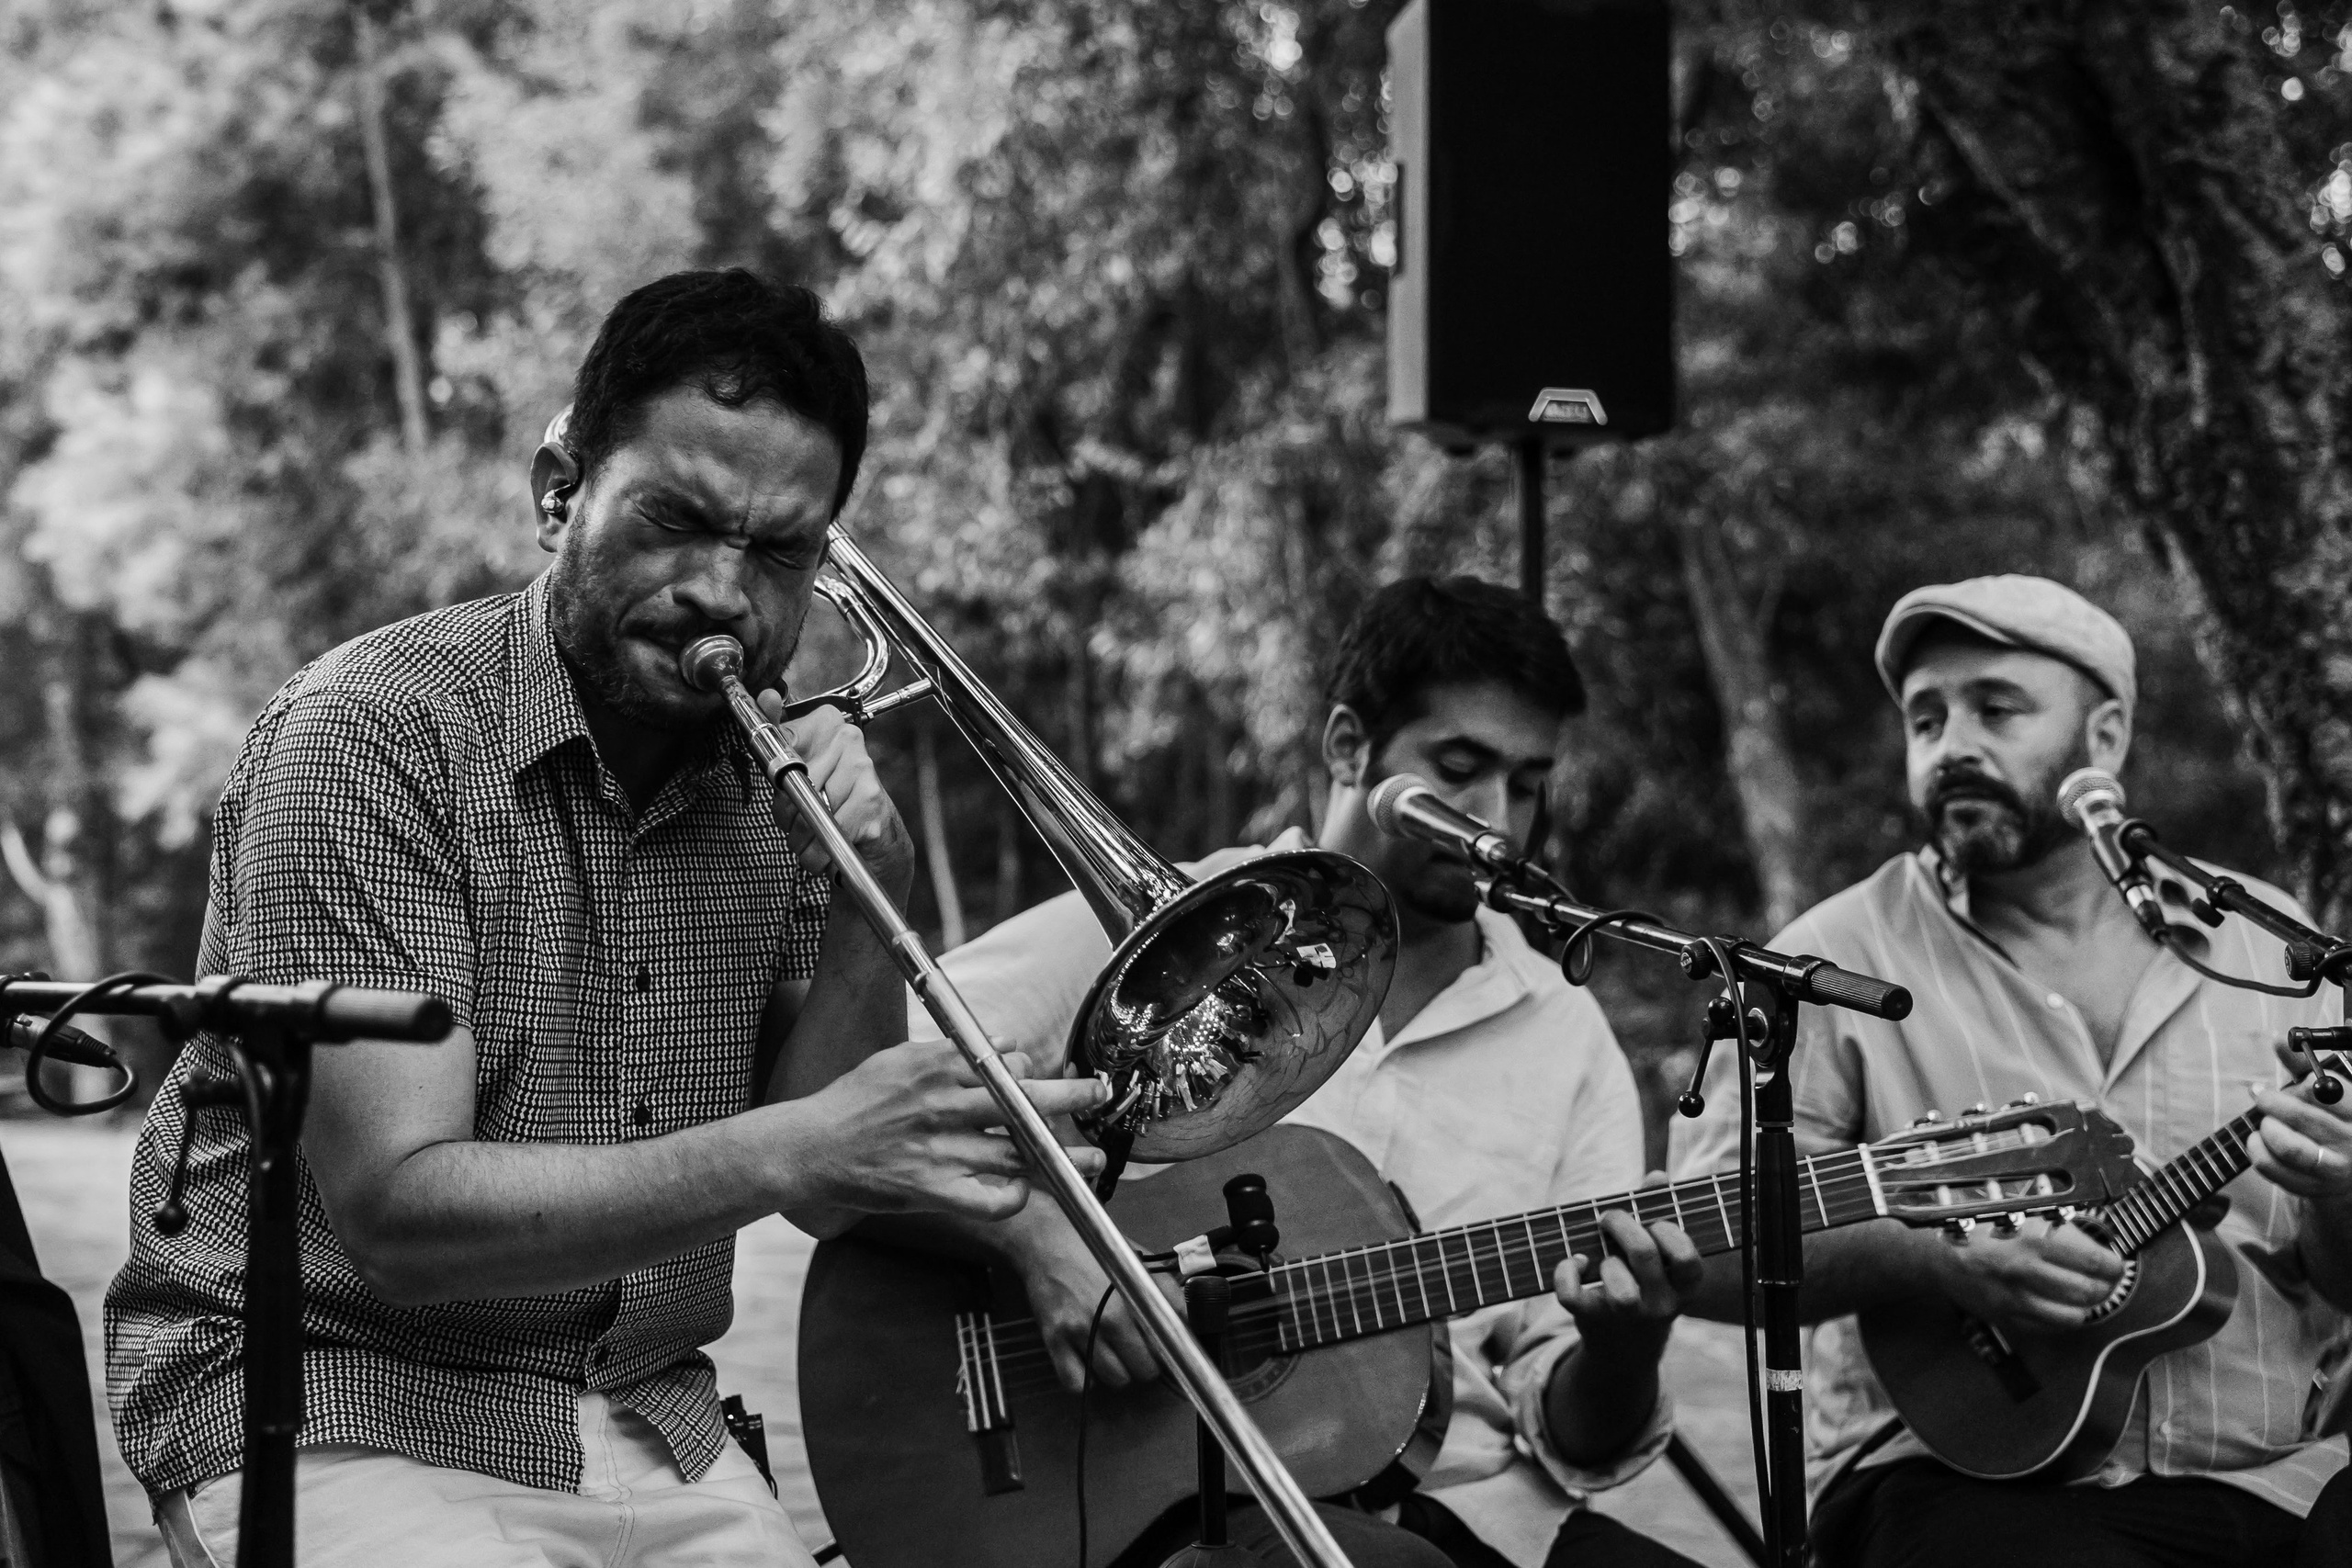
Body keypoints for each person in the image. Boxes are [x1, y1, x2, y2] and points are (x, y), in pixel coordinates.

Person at [104, 269, 1106, 1568]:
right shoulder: (373, 732)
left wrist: (875, 892)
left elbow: (836, 1179)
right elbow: (403, 1212)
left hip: (650, 1420)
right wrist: (794, 1144)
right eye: (677, 521)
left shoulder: (780, 772)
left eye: (780, 551)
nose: (722, 594)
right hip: (333, 1405)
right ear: (558, 492)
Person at [906, 577, 1705, 1568]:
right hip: (1163, 1493)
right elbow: (880, 1086)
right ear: (1346, 747)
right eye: (1459, 767)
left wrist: (1628, 1345)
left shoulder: (1565, 1032)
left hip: (1473, 1513)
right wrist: (1037, 1239)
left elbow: (1573, 1426)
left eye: (1530, 782)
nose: (1498, 817)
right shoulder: (1171, 927)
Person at [1672, 574, 2352, 1568]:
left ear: (2105, 739)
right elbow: (1706, 1239)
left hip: (2276, 1480)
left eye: (1996, 709)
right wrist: (1938, 1261)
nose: (1952, 746)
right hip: (1955, 1478)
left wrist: (2339, 1187)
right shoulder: (1829, 962)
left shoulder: (2267, 952)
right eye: (1925, 718)